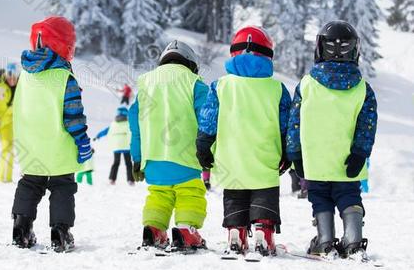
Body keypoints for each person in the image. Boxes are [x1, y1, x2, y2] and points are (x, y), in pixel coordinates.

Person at [196, 26, 291, 258]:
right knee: (264, 192)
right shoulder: (277, 88)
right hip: (265, 156)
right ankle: (263, 233)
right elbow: (285, 125)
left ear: (233, 53)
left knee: (235, 194)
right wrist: (287, 153)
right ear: (268, 55)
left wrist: (203, 145)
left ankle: (236, 233)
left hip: (231, 156)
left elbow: (209, 120)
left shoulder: (220, 86)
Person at [287, 21, 377, 260]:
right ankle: (353, 239)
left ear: (319, 48)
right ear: (355, 50)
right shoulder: (362, 88)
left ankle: (325, 239)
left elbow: (294, 122)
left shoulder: (307, 85)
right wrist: (360, 152)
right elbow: (367, 125)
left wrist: (295, 154)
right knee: (349, 196)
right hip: (348, 161)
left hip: (315, 161)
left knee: (320, 197)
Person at [10, 16, 93, 253]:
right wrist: (83, 141)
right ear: (64, 46)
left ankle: (21, 227)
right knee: (62, 187)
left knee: (29, 184)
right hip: (59, 147)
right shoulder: (65, 78)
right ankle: (61, 232)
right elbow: (73, 116)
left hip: (30, 145)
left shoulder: (24, 76)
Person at [130, 40, 209, 252]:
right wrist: (209, 149)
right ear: (191, 64)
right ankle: (185, 231)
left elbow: (135, 121)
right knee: (190, 192)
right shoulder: (194, 82)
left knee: (159, 193)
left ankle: (154, 229)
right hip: (186, 156)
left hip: (153, 157)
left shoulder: (146, 83)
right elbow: (208, 117)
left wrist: (137, 157)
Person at [93, 106, 134, 185]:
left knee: (116, 162)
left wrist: (97, 136)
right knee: (128, 163)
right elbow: (135, 130)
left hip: (117, 146)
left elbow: (105, 131)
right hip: (126, 146)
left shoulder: (113, 124)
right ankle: (131, 180)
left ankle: (112, 179)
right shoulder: (129, 123)